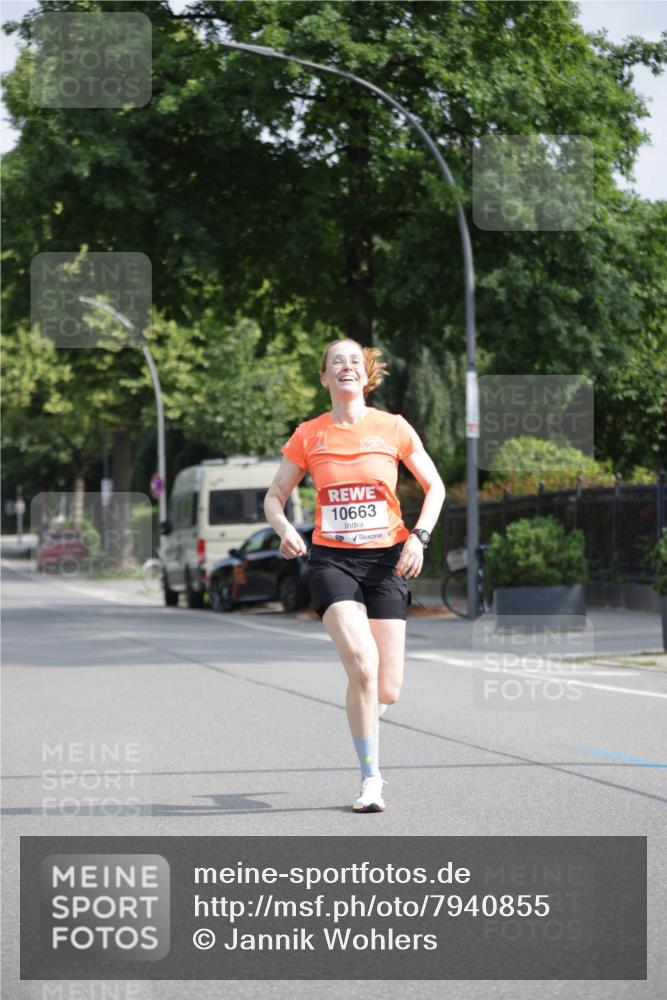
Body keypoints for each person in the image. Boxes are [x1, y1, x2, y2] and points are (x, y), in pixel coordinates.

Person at [264, 338, 445, 812]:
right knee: (362, 665)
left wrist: (419, 537)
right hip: (332, 560)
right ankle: (371, 780)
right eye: (335, 363)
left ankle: (367, 708)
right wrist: (284, 529)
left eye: (353, 362)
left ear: (365, 376)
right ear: (324, 378)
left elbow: (435, 487)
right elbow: (273, 495)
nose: (345, 368)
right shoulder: (309, 435)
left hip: (387, 559)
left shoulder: (393, 428)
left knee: (387, 687)